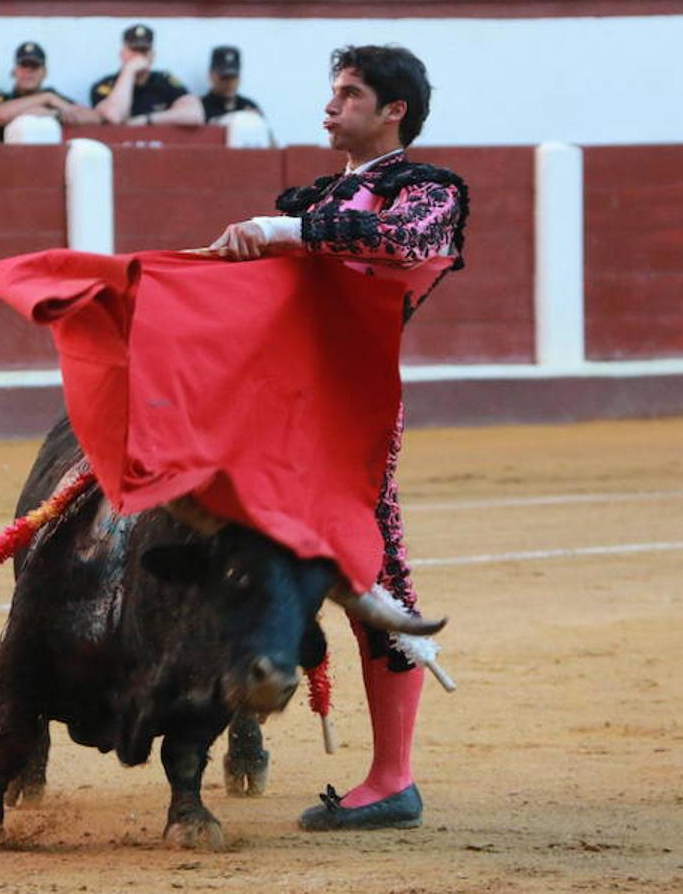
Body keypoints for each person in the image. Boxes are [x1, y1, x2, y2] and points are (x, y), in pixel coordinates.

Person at [208, 45, 468, 831]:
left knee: (374, 581)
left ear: (395, 111)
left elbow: (407, 246)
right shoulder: (321, 199)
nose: (331, 106)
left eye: (350, 94)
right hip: (271, 410)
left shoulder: (429, 192)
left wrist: (283, 229)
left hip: (347, 419)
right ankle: (229, 717)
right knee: (229, 549)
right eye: (333, 91)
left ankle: (393, 778)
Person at [0, 41, 100, 142]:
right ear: (14, 71)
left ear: (45, 72)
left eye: (34, 67)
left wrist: (54, 114)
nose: (28, 72)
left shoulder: (56, 99)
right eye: (23, 66)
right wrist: (46, 98)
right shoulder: (1, 99)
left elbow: (95, 118)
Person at [88, 24, 203, 127]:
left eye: (143, 51)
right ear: (122, 54)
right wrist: (129, 71)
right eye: (134, 50)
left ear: (152, 55)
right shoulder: (105, 85)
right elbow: (114, 116)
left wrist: (147, 119)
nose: (139, 56)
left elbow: (195, 114)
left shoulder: (164, 81)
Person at [201, 46, 264, 123]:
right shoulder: (199, 108)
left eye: (234, 77)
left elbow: (266, 134)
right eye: (224, 77)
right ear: (211, 75)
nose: (229, 82)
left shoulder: (249, 107)